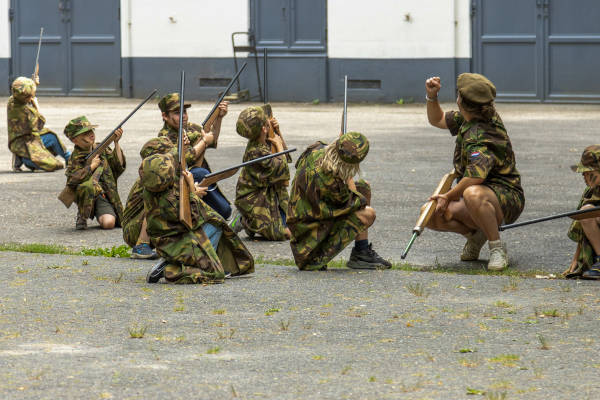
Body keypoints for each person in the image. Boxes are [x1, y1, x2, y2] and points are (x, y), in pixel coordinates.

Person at [424, 73, 525, 271]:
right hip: (479, 196)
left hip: (506, 197)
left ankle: (496, 247)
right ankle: (476, 235)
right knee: (430, 214)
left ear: (460, 100)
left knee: (472, 193)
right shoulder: (471, 116)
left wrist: (448, 195)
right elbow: (438, 119)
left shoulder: (482, 133)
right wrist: (431, 97)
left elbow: (475, 177)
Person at [141, 153, 254, 284]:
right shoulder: (169, 202)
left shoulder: (151, 189)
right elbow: (191, 218)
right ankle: (171, 269)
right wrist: (193, 192)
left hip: (169, 239)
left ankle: (199, 260)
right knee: (215, 274)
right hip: (177, 243)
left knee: (215, 223)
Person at [287, 131, 391, 270]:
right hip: (307, 247)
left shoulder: (316, 149)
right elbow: (359, 202)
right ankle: (316, 259)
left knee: (363, 186)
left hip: (306, 223)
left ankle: (362, 251)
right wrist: (347, 173)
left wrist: (341, 143)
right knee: (368, 214)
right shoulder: (332, 184)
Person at [157, 93, 236, 222]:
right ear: (165, 116)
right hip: (180, 184)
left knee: (225, 210)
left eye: (184, 112)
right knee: (223, 210)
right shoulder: (164, 137)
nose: (183, 116)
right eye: (177, 113)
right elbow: (186, 158)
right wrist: (204, 141)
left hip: (197, 177)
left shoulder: (190, 127)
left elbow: (212, 137)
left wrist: (219, 118)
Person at [234, 106, 291, 240]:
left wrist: (277, 132)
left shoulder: (262, 141)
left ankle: (256, 222)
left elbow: (285, 157)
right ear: (264, 129)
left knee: (298, 227)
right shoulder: (256, 153)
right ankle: (245, 220)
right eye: (267, 123)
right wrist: (279, 145)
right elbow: (282, 169)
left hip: (272, 196)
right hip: (256, 201)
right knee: (286, 234)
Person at [64, 116, 125, 230]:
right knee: (87, 186)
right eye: (85, 133)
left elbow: (118, 166)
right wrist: (91, 167)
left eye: (91, 130)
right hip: (87, 196)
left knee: (109, 223)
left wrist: (116, 143)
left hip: (105, 194)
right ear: (74, 140)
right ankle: (82, 214)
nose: (90, 134)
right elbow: (72, 181)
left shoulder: (101, 148)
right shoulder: (75, 158)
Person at [122, 137, 175, 259]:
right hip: (133, 230)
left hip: (142, 224)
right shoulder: (152, 177)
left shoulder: (165, 173)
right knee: (159, 198)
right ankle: (141, 245)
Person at [7, 76, 70, 172]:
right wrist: (36, 106)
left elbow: (23, 90)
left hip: (16, 141)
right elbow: (40, 123)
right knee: (51, 140)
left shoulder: (12, 100)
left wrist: (33, 83)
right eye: (30, 96)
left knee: (39, 156)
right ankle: (68, 158)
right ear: (25, 97)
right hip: (28, 141)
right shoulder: (26, 111)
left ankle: (20, 157)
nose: (31, 97)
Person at [564, 145, 600, 280]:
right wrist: (575, 260)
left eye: (588, 172)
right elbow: (581, 227)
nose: (584, 176)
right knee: (586, 212)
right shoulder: (590, 192)